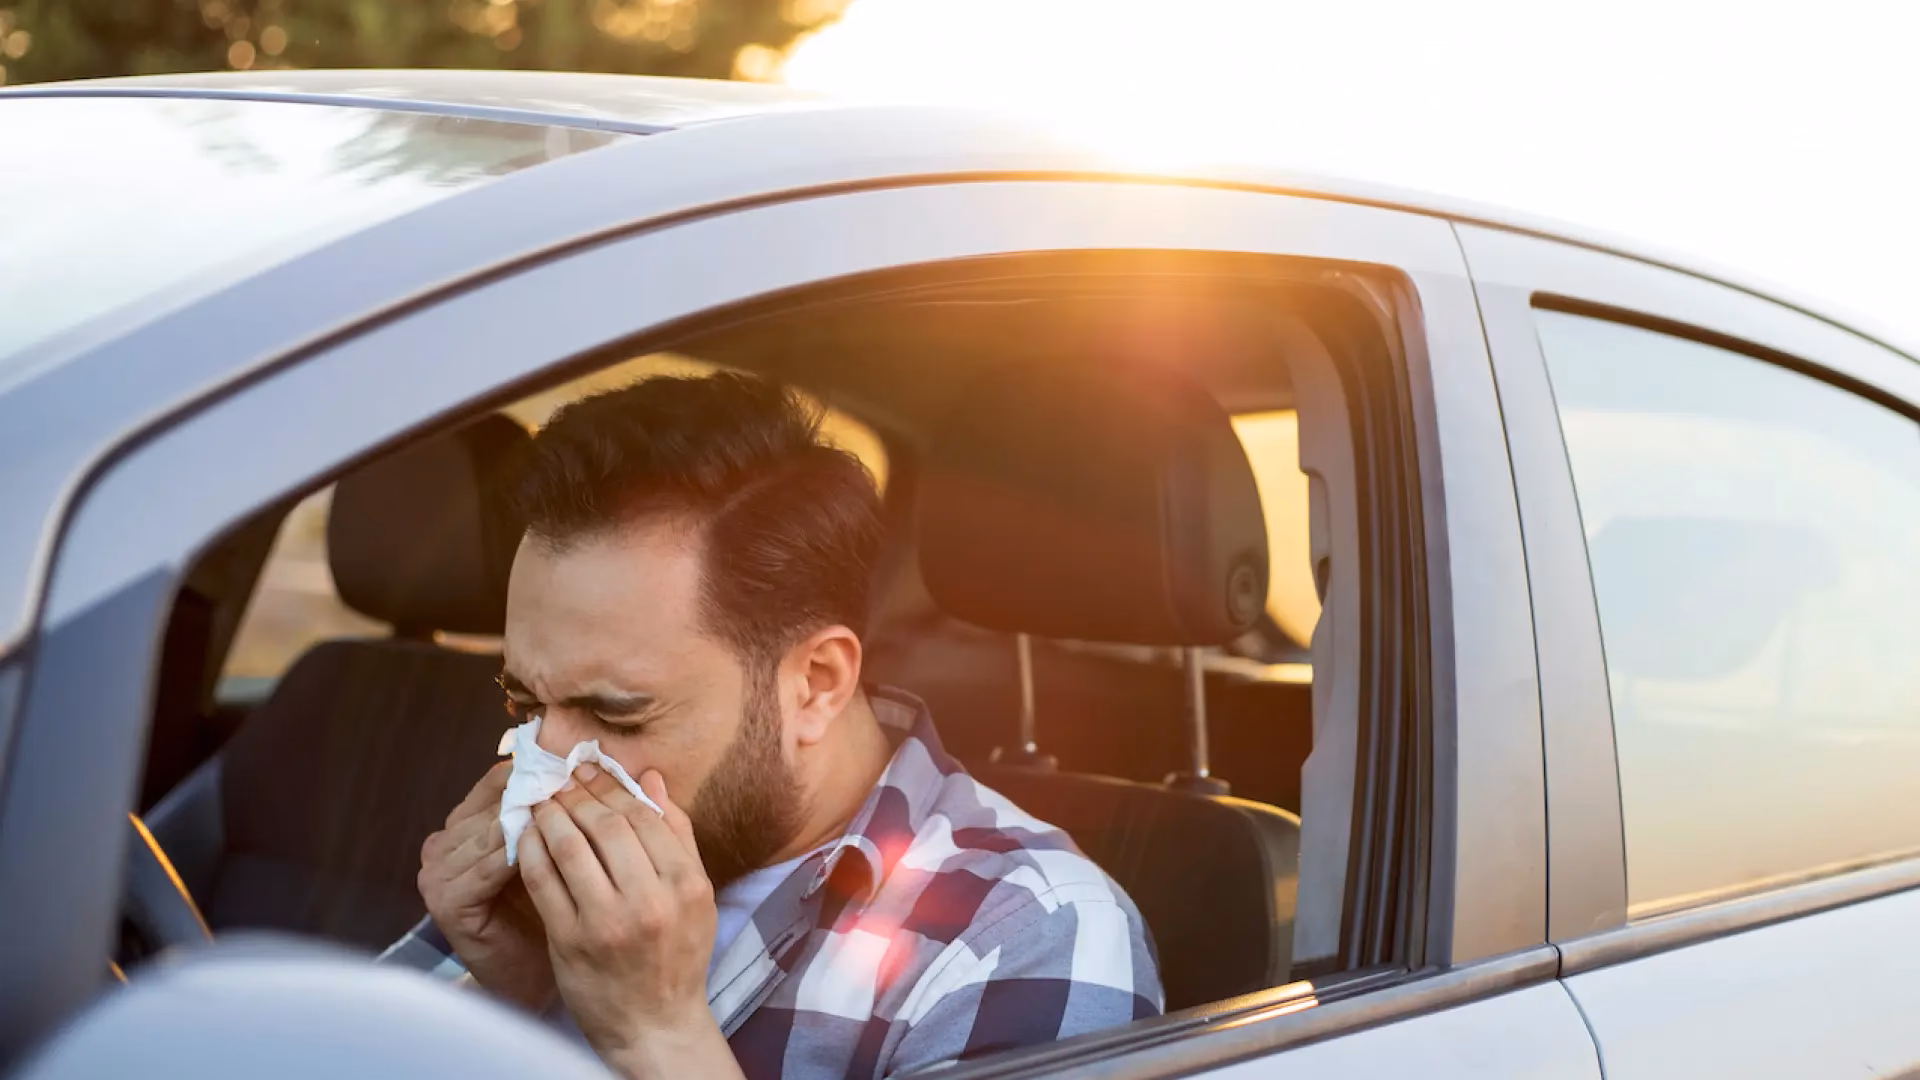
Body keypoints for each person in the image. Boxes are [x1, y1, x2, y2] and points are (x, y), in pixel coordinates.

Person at [381, 373, 1161, 1079]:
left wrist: (657, 1038)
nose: (547, 756)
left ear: (815, 684)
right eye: (525, 705)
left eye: (614, 712)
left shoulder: (1028, 933)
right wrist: (507, 1004)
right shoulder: (532, 882)